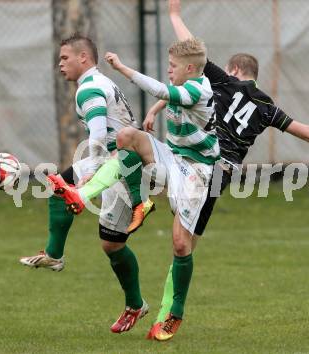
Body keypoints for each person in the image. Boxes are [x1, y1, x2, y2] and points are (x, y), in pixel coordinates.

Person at [144, 0, 309, 340]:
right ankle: (168, 314)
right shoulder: (268, 108)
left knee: (180, 240)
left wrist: (174, 15)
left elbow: (192, 55)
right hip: (219, 176)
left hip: (200, 164)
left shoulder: (224, 82)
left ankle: (168, 305)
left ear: (235, 70)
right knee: (185, 245)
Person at [19, 34, 155, 333]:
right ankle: (54, 255)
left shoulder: (90, 89)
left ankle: (135, 305)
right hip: (111, 157)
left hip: (122, 166)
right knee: (59, 187)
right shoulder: (98, 83)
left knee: (111, 245)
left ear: (84, 58)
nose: (60, 64)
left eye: (64, 58)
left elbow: (96, 134)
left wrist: (90, 171)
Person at [100, 34, 219, 341]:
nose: (168, 70)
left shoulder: (196, 89)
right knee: (127, 136)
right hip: (174, 156)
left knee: (181, 244)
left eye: (172, 66)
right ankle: (142, 202)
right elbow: (167, 94)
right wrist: (153, 112)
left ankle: (175, 313)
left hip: (197, 170)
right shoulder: (186, 85)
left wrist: (123, 69)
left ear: (190, 68)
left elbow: (161, 89)